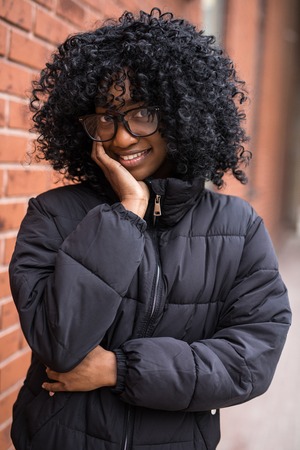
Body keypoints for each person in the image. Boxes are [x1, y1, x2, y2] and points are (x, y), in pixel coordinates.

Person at [9, 8, 291, 450]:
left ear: (181, 115)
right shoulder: (52, 215)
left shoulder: (239, 228)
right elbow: (59, 343)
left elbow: (250, 361)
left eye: (140, 114)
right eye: (105, 117)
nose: (121, 137)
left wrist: (120, 369)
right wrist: (127, 211)